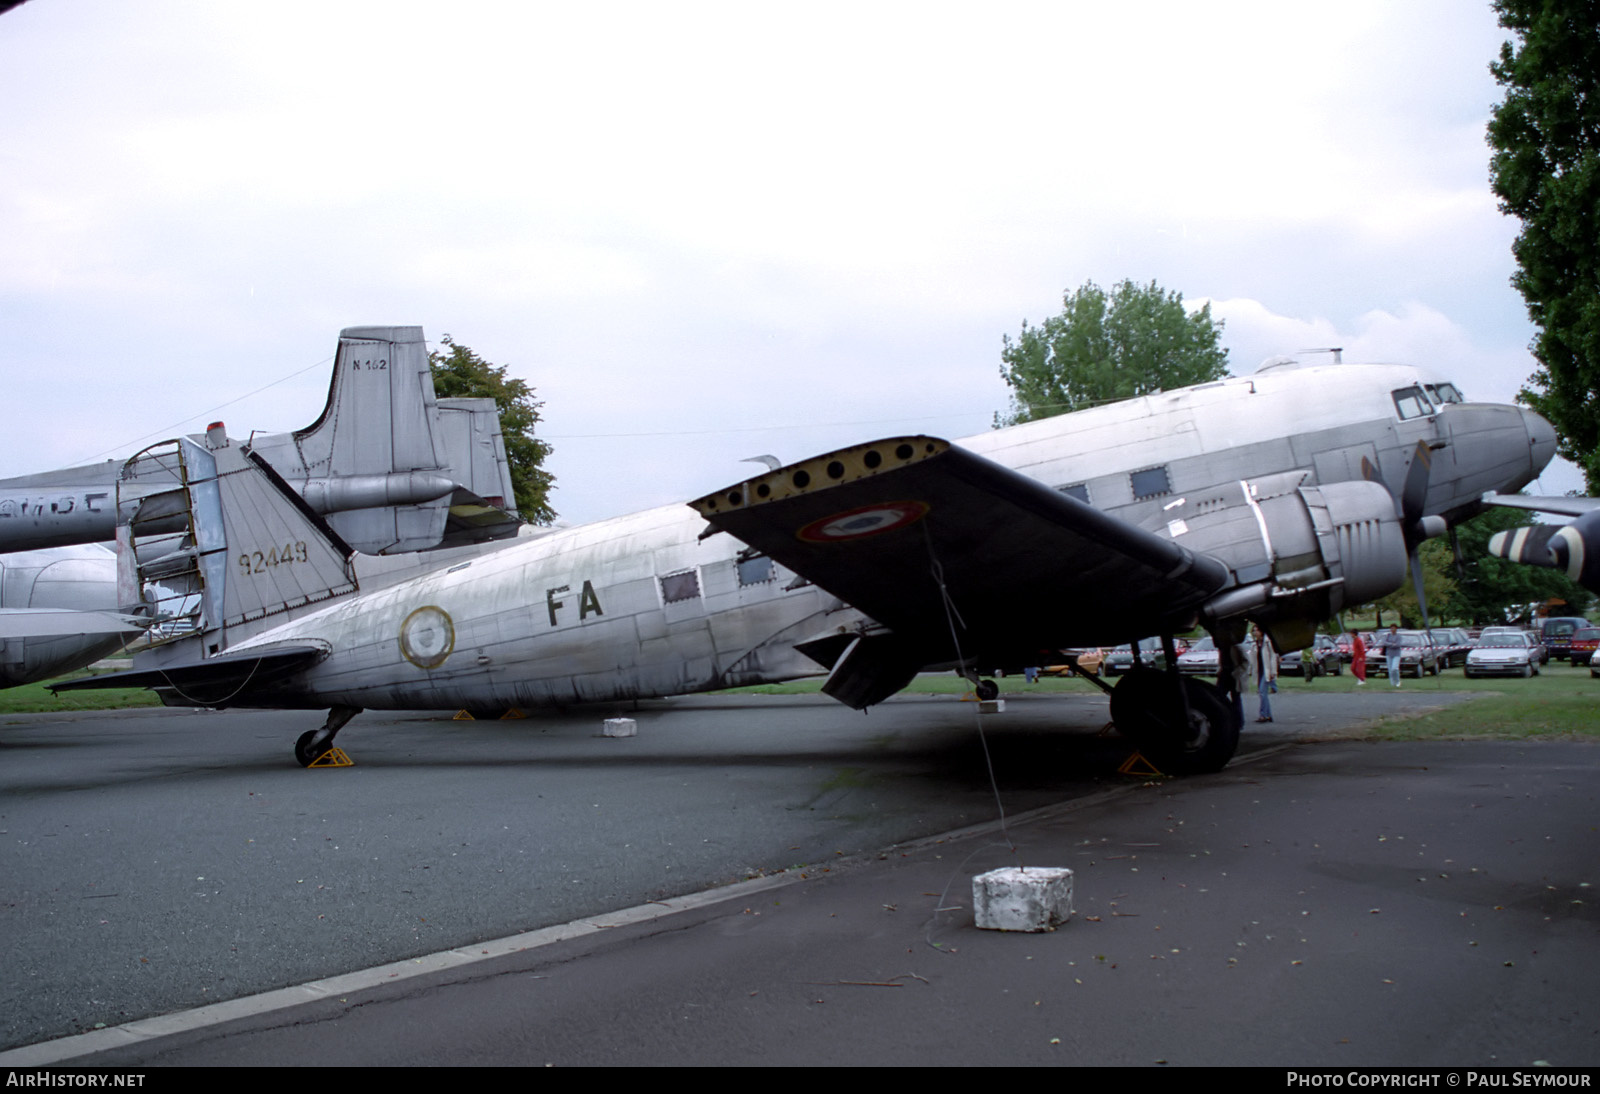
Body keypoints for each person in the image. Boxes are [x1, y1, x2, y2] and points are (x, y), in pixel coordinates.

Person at [1250, 624, 1277, 722]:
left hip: (1267, 671)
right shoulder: (1255, 644)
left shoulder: (1267, 642)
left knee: (1262, 693)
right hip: (1259, 672)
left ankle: (1263, 715)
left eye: (1256, 630)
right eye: (1254, 631)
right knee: (1263, 693)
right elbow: (1253, 659)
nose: (1255, 633)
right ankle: (1268, 715)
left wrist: (1273, 671)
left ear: (1261, 632)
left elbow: (1273, 657)